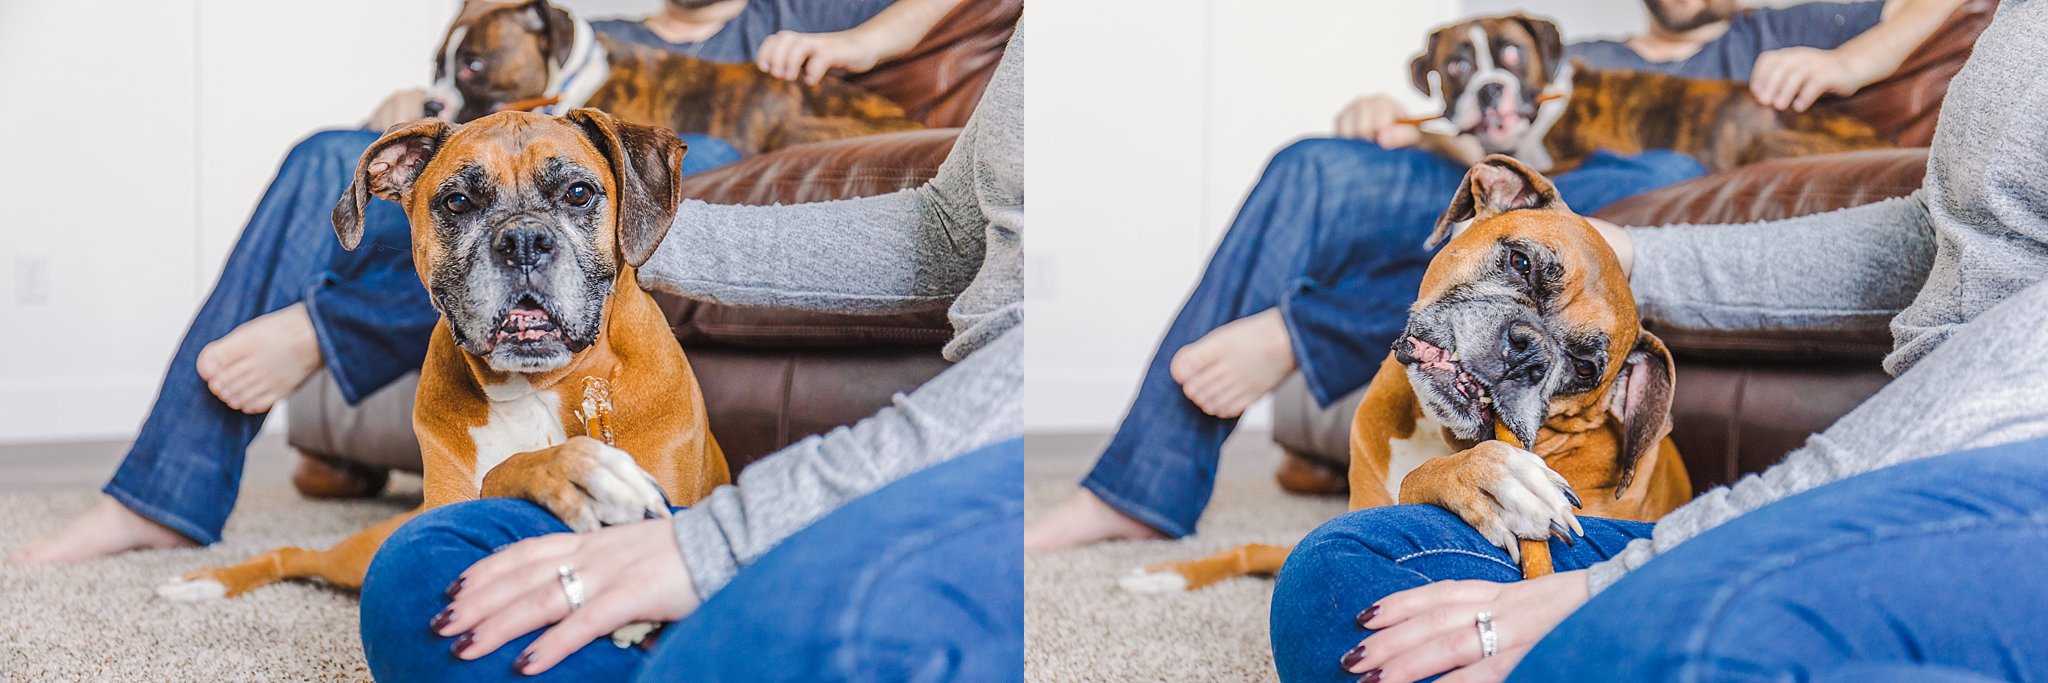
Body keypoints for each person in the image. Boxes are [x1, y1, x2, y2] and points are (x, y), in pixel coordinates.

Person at [9, 0, 963, 566]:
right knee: (326, 155)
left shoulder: (797, 19)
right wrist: (414, 111)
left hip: (675, 174)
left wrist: (871, 42)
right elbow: (486, 162)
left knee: (639, 172)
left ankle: (324, 327)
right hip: (525, 171)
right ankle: (163, 492)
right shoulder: (591, 31)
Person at [1270, 2, 2048, 681]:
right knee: (1337, 579)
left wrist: (1617, 583)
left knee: (1680, 644)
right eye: (1517, 262)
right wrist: (1635, 252)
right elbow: (1933, 233)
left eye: (1574, 361)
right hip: (1904, 496)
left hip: (1994, 484)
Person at [1024, 0, 1968, 552]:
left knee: (1644, 177)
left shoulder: (1780, 29)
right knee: (1313, 161)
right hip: (1508, 196)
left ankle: (1304, 330)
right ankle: (1137, 487)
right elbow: (1497, 174)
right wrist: (1393, 119)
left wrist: (1858, 54)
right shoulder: (1579, 55)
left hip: (1615, 221)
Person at [357, 24, 1022, 681]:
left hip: (990, 459)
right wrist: (625, 233)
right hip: (983, 434)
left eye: (578, 196)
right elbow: (946, 232)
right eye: (462, 203)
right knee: (408, 577)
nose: (525, 245)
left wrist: (707, 546)